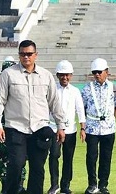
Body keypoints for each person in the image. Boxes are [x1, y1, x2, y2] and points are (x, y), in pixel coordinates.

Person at [0, 40, 66, 194]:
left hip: (39, 128)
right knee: (16, 165)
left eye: (29, 54)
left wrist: (61, 126)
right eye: (23, 54)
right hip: (16, 128)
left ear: (35, 55)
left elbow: (54, 102)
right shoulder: (8, 74)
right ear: (19, 55)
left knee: (38, 169)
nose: (26, 57)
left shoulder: (46, 76)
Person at [81, 58, 116, 194]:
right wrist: (83, 126)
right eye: (94, 72)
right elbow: (83, 107)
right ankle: (92, 184)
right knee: (91, 157)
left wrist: (110, 119)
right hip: (92, 128)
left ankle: (103, 185)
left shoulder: (114, 88)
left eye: (99, 72)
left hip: (109, 129)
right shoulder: (87, 88)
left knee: (106, 157)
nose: (97, 75)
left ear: (107, 72)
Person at [48, 60, 86, 194]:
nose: (65, 77)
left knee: (68, 158)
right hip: (53, 128)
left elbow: (80, 109)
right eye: (62, 75)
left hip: (70, 129)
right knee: (54, 155)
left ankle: (65, 185)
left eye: (67, 75)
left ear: (71, 75)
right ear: (57, 75)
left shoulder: (75, 91)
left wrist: (83, 128)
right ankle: (54, 184)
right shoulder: (52, 90)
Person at [0, 56, 27, 194]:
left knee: (20, 158)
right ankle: (5, 186)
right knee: (3, 157)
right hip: (2, 128)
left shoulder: (21, 86)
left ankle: (19, 185)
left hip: (18, 128)